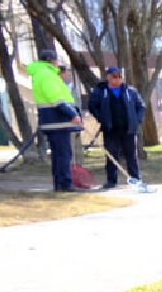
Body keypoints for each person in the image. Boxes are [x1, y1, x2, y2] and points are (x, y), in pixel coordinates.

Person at [25, 51, 84, 192]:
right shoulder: (47, 75)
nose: (58, 64)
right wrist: (72, 114)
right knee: (64, 154)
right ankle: (65, 184)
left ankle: (59, 183)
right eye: (56, 61)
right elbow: (57, 99)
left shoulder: (40, 74)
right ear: (51, 61)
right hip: (58, 121)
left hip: (51, 121)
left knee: (58, 155)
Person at [86, 65, 146, 189]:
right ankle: (111, 181)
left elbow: (141, 106)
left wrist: (137, 120)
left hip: (128, 129)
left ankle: (136, 179)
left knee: (131, 156)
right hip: (110, 129)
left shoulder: (131, 91)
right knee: (111, 156)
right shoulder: (101, 91)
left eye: (119, 77)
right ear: (108, 77)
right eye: (114, 77)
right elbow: (92, 106)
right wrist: (101, 118)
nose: (117, 79)